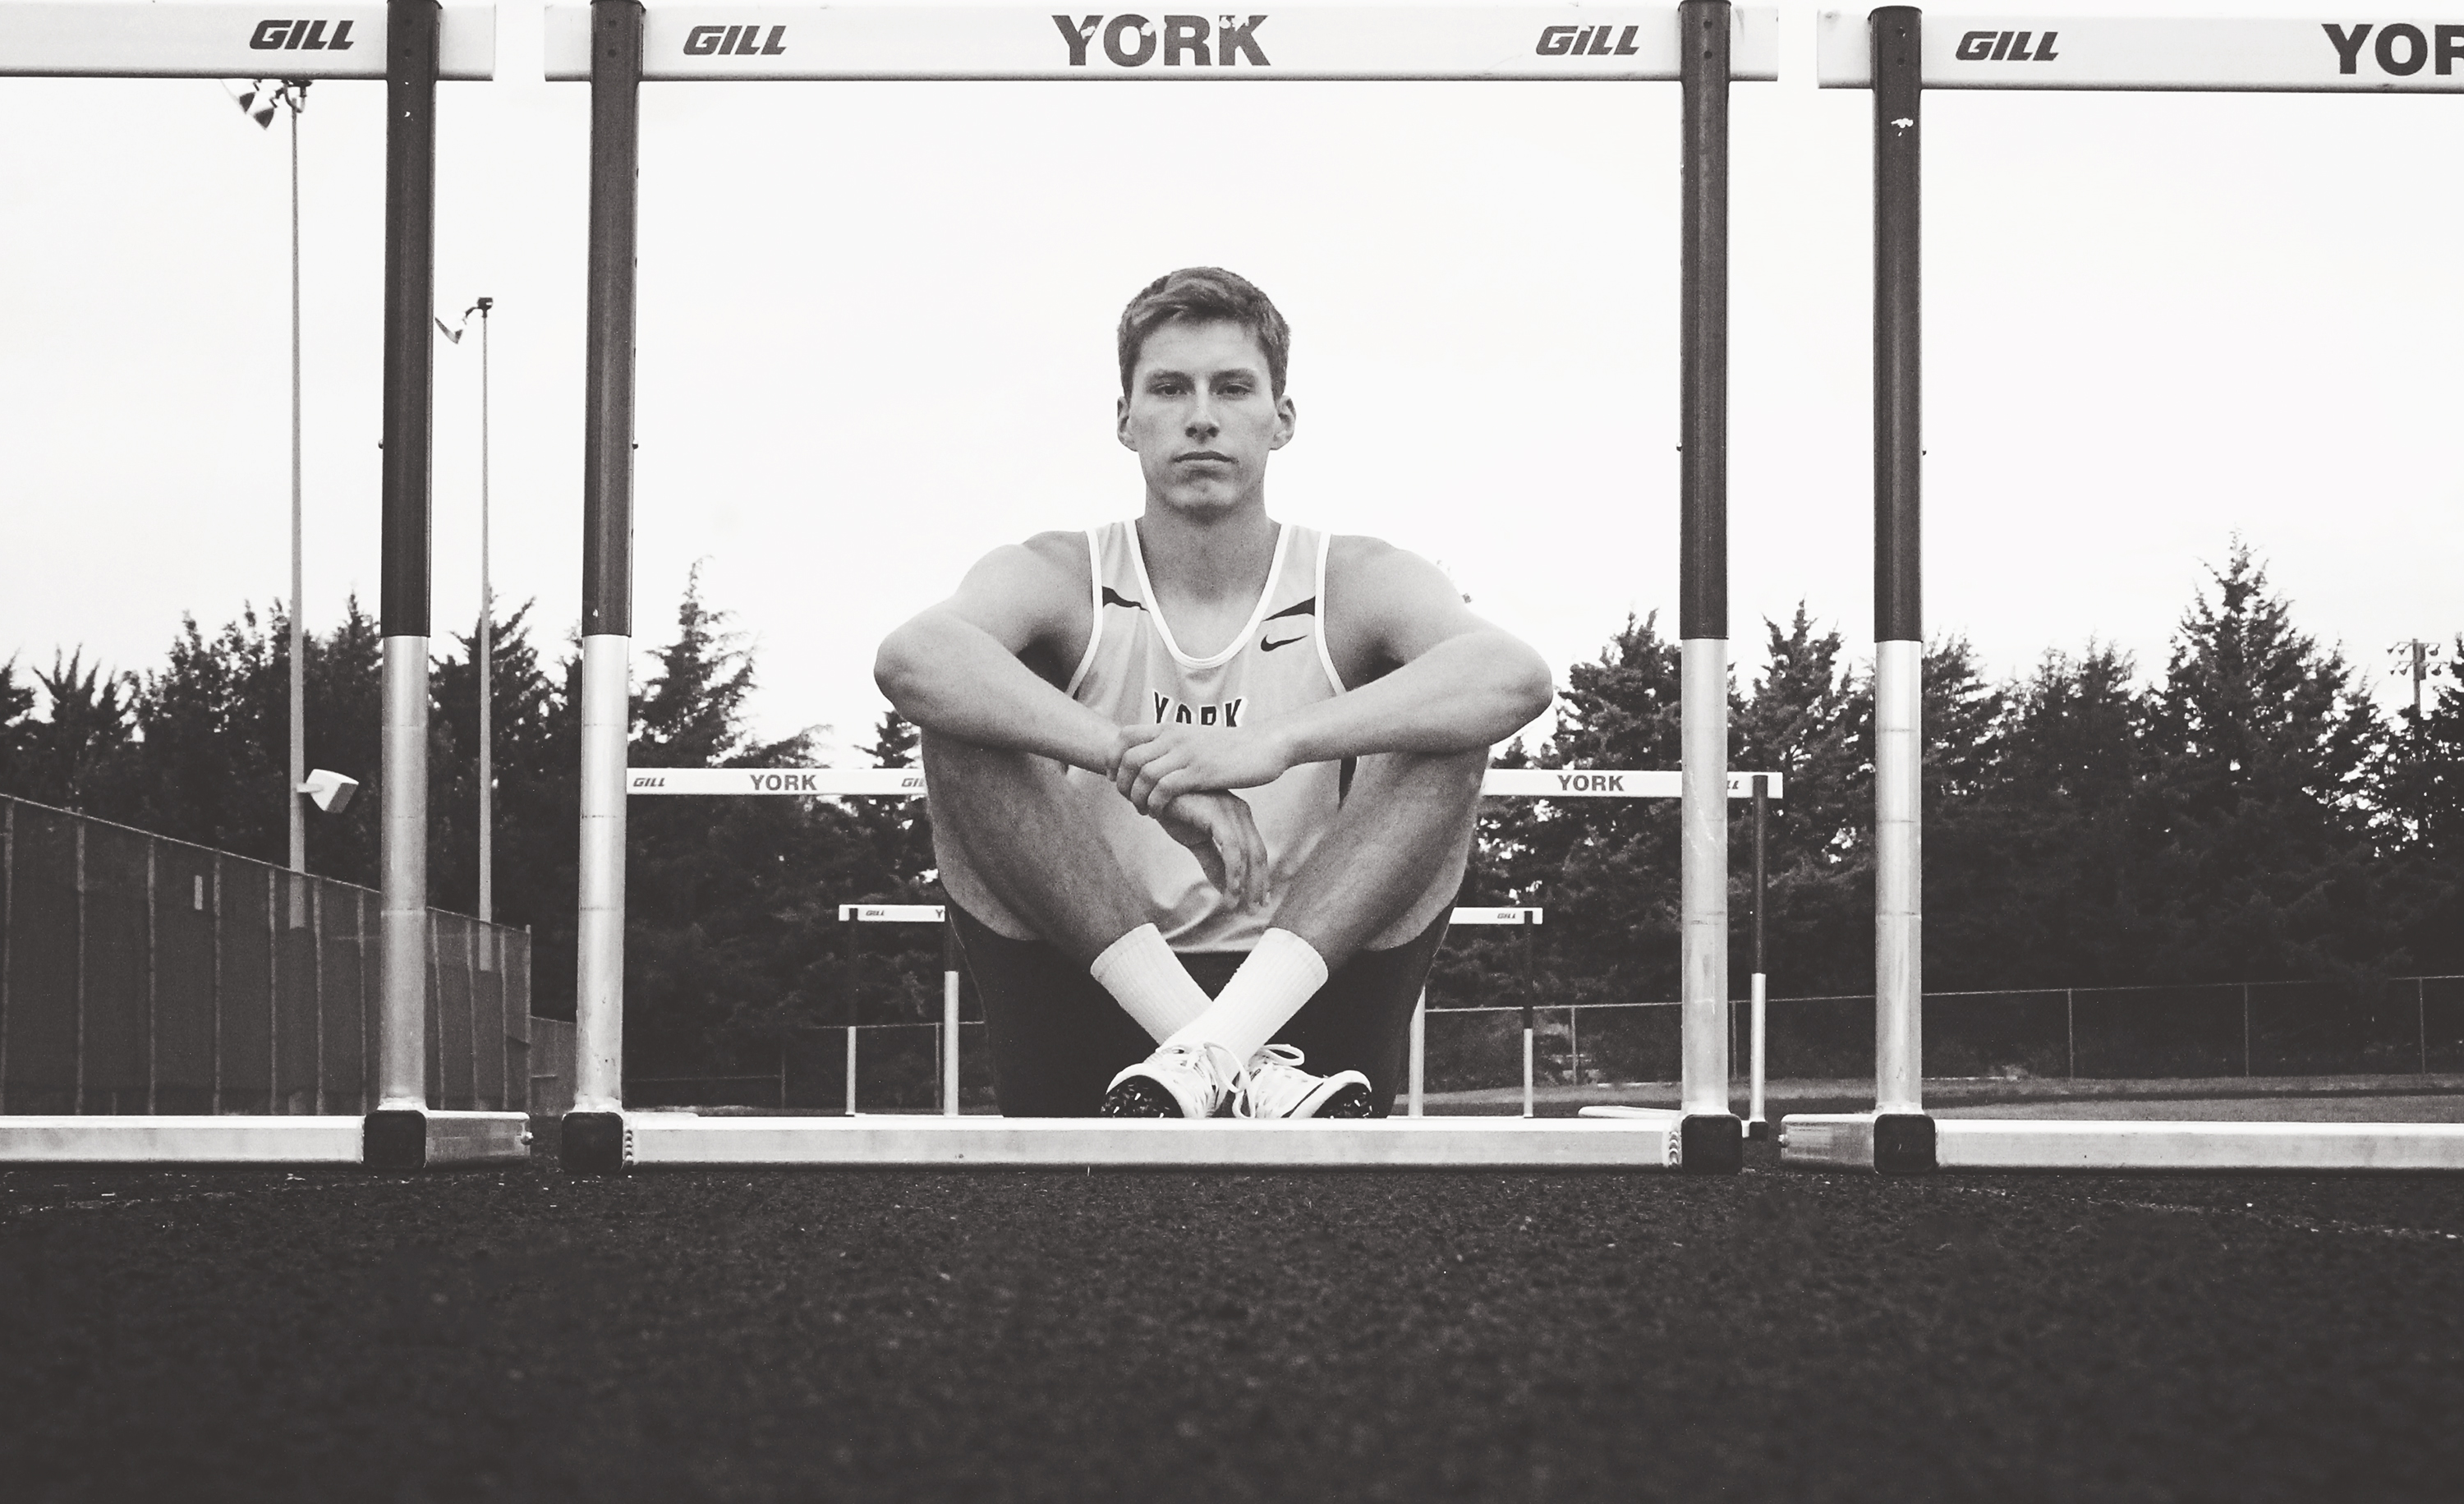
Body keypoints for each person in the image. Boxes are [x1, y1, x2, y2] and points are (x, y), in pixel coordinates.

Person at [873, 267, 1552, 1119]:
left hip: (1307, 1004)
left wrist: (1270, 743)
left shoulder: (1353, 578)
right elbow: (914, 658)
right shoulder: (1062, 572)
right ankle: (1231, 1058)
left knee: (1447, 723)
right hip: (1101, 993)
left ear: (1282, 418)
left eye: (1232, 387)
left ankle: (1224, 1045)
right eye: (1169, 389)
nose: (1201, 416)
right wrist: (1142, 768)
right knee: (964, 722)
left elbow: (1512, 676)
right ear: (1125, 420)